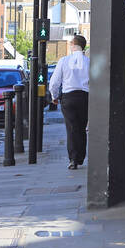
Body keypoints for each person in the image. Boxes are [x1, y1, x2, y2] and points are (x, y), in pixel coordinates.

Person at [49, 35, 90, 170]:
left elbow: (54, 82)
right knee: (82, 127)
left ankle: (73, 159)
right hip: (84, 97)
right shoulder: (89, 62)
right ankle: (80, 157)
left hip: (68, 97)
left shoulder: (64, 61)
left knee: (71, 128)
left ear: (73, 45)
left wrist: (54, 96)